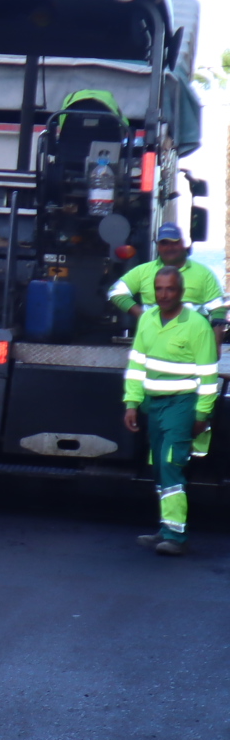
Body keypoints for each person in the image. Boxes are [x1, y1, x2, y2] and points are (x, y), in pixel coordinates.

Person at [124, 266, 217, 557]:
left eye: (171, 289)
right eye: (159, 289)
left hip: (181, 404)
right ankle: (166, 528)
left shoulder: (197, 325)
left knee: (171, 464)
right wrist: (131, 403)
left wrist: (202, 415)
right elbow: (137, 365)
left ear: (181, 291)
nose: (164, 295)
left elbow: (208, 374)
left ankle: (177, 536)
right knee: (159, 467)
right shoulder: (149, 320)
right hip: (154, 405)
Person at [108, 224, 225, 330]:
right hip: (155, 338)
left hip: (192, 341)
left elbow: (218, 309)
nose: (169, 248)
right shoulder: (143, 271)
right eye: (164, 243)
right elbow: (115, 292)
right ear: (158, 246)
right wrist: (142, 315)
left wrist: (215, 347)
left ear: (182, 244)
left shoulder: (203, 273)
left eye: (174, 243)